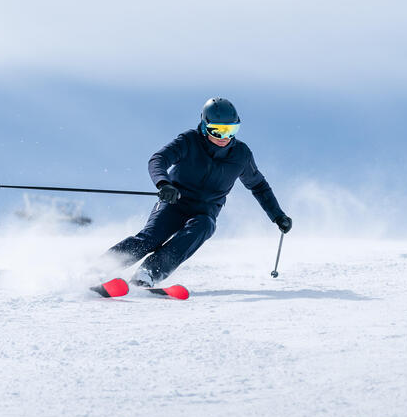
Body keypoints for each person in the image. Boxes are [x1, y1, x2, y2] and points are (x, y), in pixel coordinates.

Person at [108, 97, 292, 287]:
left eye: (231, 130)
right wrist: (164, 184)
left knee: (204, 226)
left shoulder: (241, 155)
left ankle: (148, 274)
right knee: (151, 238)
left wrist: (278, 216)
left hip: (205, 211)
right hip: (174, 203)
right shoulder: (189, 141)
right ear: (205, 126)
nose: (224, 137)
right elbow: (159, 159)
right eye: (217, 131)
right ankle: (101, 268)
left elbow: (259, 186)